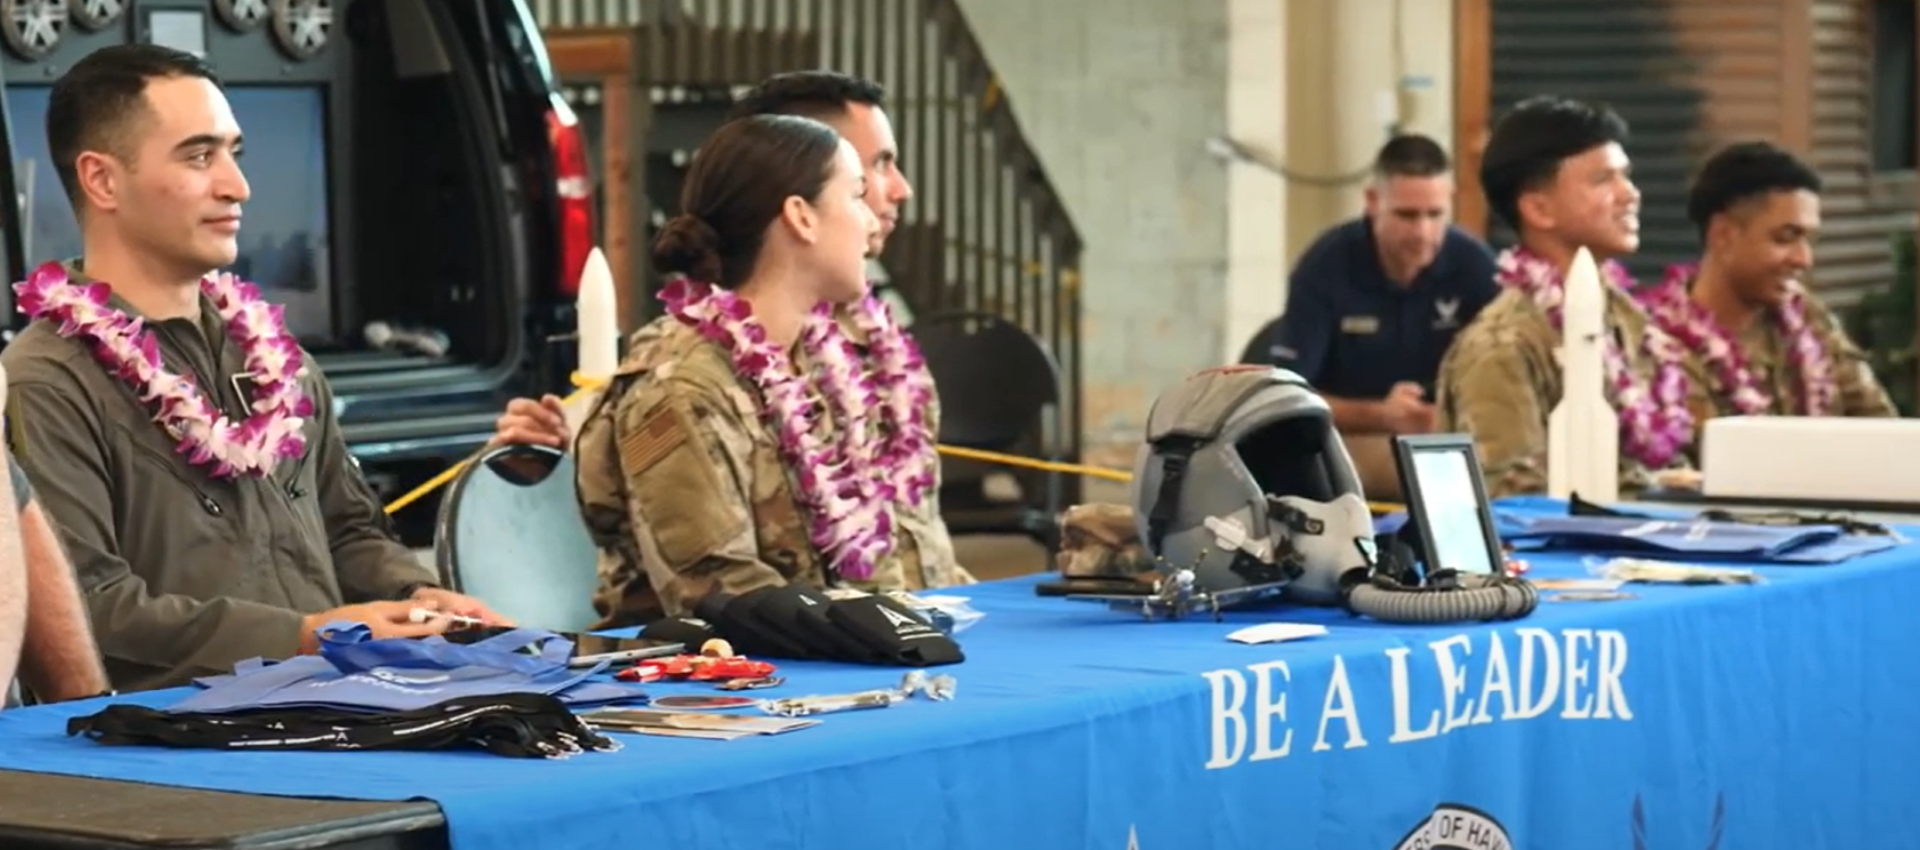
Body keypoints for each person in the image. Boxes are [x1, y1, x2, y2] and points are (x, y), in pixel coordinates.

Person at [1, 44, 505, 693]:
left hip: (351, 705)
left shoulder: (272, 352)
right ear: (102, 180)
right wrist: (302, 637)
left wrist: (420, 595)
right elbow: (92, 607)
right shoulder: (48, 380)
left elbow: (347, 528)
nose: (237, 185)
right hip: (187, 750)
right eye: (198, 155)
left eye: (234, 152)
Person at [495, 72, 970, 625]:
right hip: (741, 690)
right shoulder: (680, 384)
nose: (872, 218)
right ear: (800, 215)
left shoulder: (830, 366)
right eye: (857, 192)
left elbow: (901, 559)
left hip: (854, 658)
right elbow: (718, 592)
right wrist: (892, 629)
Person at [1433, 95, 1694, 498]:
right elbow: (1513, 504)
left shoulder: (1629, 317)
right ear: (1539, 209)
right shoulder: (1503, 346)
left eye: (1626, 175)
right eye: (1603, 180)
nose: (1630, 194)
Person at [1634, 141, 1895, 453]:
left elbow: (1882, 432)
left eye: (1809, 240)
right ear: (1723, 235)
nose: (1803, 259)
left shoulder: (1808, 319)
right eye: (1785, 238)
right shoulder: (1656, 344)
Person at [1242, 134, 1498, 437]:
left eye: (1435, 214)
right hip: (1342, 433)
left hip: (1442, 432)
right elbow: (1286, 397)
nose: (1422, 232)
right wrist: (1381, 416)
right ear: (1373, 202)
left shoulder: (1474, 265)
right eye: (1407, 215)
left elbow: (1498, 376)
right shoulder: (1325, 265)